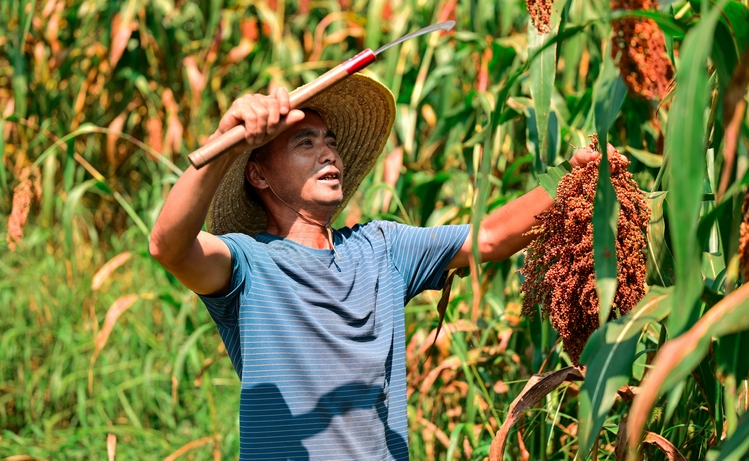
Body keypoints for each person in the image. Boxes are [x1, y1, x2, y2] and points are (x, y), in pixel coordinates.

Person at [149, 74, 599, 460]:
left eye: (331, 143)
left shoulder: (380, 247)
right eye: (305, 143)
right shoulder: (247, 264)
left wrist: (570, 179)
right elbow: (168, 246)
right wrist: (225, 141)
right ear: (259, 175)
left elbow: (489, 236)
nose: (328, 154)